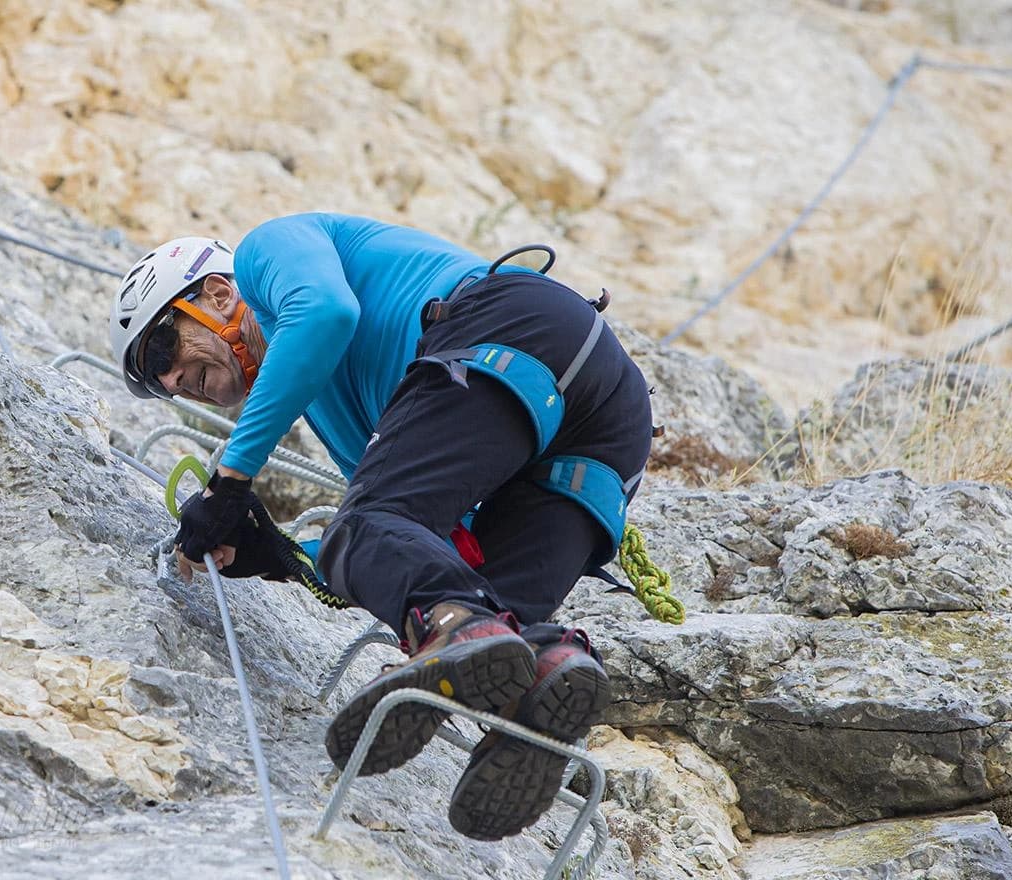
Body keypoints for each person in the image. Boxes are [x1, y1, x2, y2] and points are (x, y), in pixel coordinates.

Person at [109, 213, 653, 840]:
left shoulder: (266, 255)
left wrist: (229, 481)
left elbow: (324, 313)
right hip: (607, 419)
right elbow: (420, 542)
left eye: (162, 349)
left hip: (510, 329)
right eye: (159, 384)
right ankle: (542, 672)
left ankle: (468, 638)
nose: (174, 382)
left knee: (371, 533)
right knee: (477, 600)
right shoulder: (334, 408)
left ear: (216, 293)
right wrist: (280, 553)